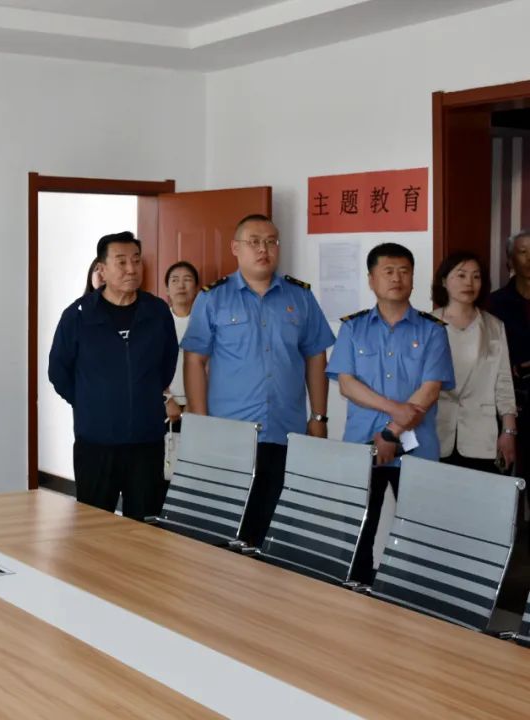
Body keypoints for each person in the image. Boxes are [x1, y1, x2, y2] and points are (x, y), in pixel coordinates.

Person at [180, 214, 334, 547]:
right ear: (235, 248)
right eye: (254, 242)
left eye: (271, 242)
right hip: (229, 433)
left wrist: (319, 417)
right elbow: (194, 360)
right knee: (227, 529)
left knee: (276, 529)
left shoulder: (300, 297)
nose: (263, 249)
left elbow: (315, 356)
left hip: (285, 430)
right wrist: (201, 421)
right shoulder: (213, 298)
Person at [327, 242, 454, 583]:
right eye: (388, 271)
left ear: (413, 278)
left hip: (417, 450)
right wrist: (395, 411)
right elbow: (346, 384)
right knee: (359, 530)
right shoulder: (353, 328)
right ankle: (357, 593)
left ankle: (413, 598)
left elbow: (430, 390)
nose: (397, 278)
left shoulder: (432, 330)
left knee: (419, 533)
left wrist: (389, 433)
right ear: (371, 279)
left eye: (404, 271)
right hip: (362, 445)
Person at [48, 231, 178, 520]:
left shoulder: (157, 312)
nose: (131, 269)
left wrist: (145, 395)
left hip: (146, 440)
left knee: (144, 527)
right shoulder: (78, 315)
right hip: (96, 442)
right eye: (121, 261)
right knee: (94, 525)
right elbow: (58, 371)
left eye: (136, 260)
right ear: (102, 269)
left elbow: (167, 363)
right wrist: (90, 400)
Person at [430, 251, 517, 473]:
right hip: (437, 431)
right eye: (461, 275)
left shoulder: (494, 326)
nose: (469, 283)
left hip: (481, 435)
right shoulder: (427, 324)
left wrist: (508, 431)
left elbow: (504, 383)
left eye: (476, 276)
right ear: (444, 281)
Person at [489, 229, 530, 483]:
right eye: (523, 252)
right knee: (504, 476)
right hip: (510, 400)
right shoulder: (495, 303)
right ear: (510, 261)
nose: (529, 258)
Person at [164, 261, 199, 429]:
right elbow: (149, 366)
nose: (181, 285)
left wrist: (195, 402)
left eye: (187, 279)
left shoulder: (205, 323)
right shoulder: (159, 322)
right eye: (175, 280)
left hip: (199, 406)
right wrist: (167, 399)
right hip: (165, 406)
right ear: (167, 289)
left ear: (197, 288)